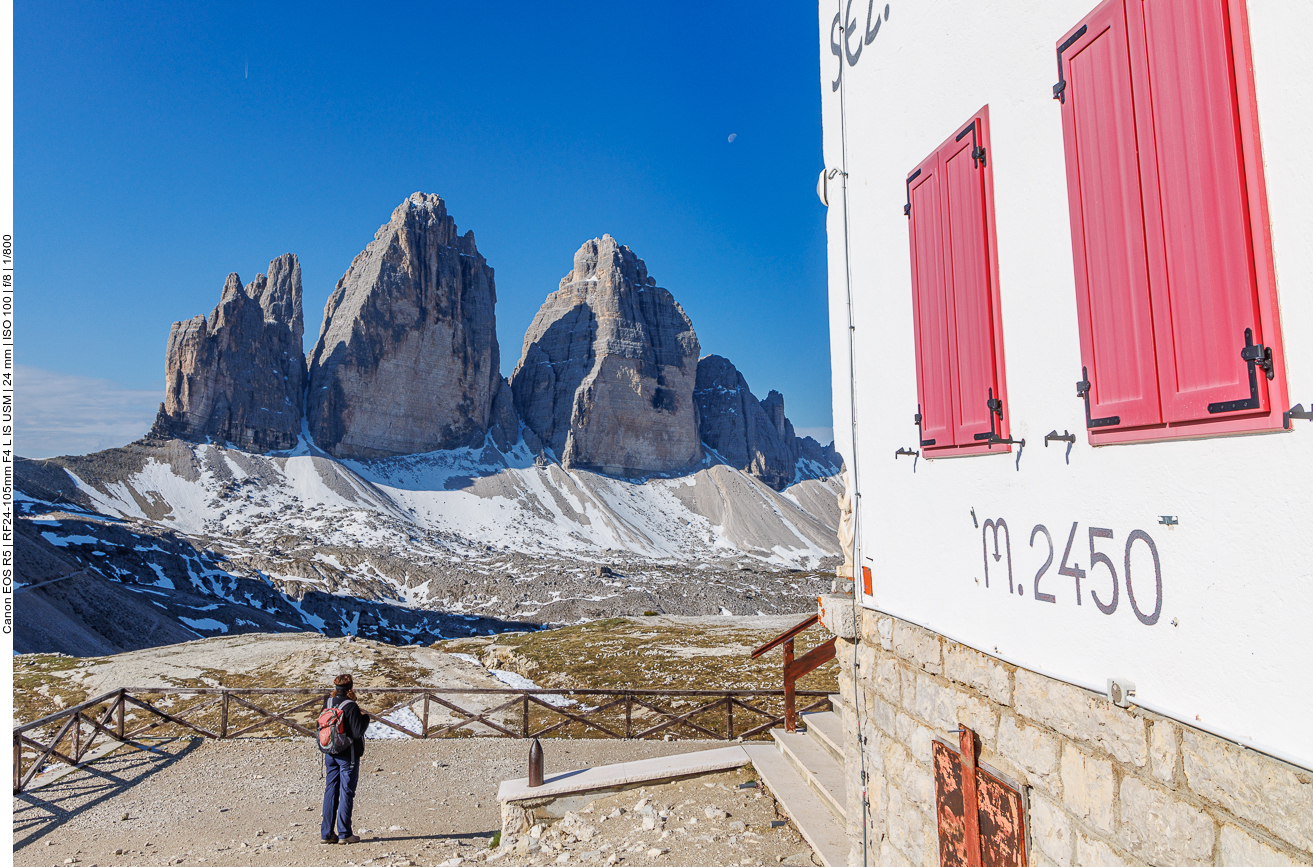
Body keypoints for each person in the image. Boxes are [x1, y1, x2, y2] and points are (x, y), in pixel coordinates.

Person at [321, 674, 371, 844]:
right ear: (350, 687)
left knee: (330, 791)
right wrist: (365, 717)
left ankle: (327, 833)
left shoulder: (328, 702)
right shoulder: (351, 706)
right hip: (347, 755)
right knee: (346, 792)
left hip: (330, 752)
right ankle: (345, 833)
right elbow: (357, 732)